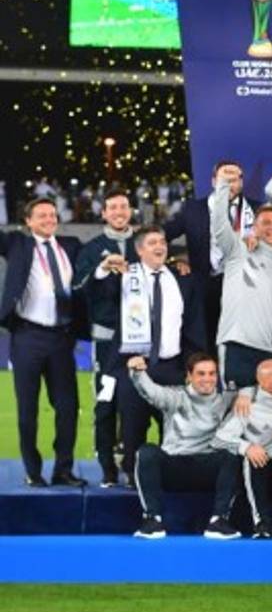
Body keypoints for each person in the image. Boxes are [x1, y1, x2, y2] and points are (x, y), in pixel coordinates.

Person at [92, 225, 202, 483]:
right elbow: (97, 294)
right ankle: (133, 475)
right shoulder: (124, 276)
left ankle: (170, 475)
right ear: (139, 250)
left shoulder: (182, 277)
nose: (159, 246)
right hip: (133, 365)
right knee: (132, 426)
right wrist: (104, 270)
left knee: (174, 428)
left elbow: (194, 323)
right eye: (152, 242)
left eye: (162, 241)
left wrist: (192, 364)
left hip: (172, 366)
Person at [0, 198, 85, 487]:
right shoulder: (17, 244)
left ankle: (63, 469)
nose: (49, 219)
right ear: (28, 221)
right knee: (27, 410)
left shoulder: (71, 246)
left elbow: (99, 256)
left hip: (62, 338)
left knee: (68, 407)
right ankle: (32, 471)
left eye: (52, 214)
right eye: (42, 215)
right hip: (27, 337)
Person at [128, 352, 242, 539]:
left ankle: (219, 521)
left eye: (212, 373)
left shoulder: (226, 399)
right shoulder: (176, 397)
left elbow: (257, 387)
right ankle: (152, 520)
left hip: (207, 468)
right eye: (201, 373)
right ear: (189, 376)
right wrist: (137, 372)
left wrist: (244, 395)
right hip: (174, 467)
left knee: (231, 455)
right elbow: (152, 391)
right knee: (147, 451)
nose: (207, 379)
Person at [211, 166, 272, 390]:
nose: (271, 228)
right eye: (265, 223)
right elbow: (219, 225)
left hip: (267, 349)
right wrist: (223, 185)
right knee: (233, 411)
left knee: (263, 414)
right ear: (254, 228)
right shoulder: (238, 251)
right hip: (235, 346)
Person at [73, 188, 139, 486]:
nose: (118, 212)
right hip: (107, 341)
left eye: (123, 207)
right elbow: (77, 287)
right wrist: (102, 268)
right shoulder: (91, 248)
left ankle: (132, 464)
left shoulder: (142, 243)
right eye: (112, 208)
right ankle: (106, 468)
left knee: (135, 405)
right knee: (106, 404)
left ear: (131, 210)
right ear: (103, 213)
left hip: (140, 341)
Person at [163, 158, 258, 351]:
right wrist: (172, 261)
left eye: (235, 179)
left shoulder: (256, 210)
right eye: (225, 178)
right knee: (205, 344)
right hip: (204, 287)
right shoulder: (193, 209)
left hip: (243, 288)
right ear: (214, 181)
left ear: (241, 182)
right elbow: (160, 236)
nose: (230, 184)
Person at [212, 359, 272, 538]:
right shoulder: (246, 405)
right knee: (252, 458)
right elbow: (218, 439)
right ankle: (261, 522)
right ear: (264, 382)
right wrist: (246, 447)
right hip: (258, 463)